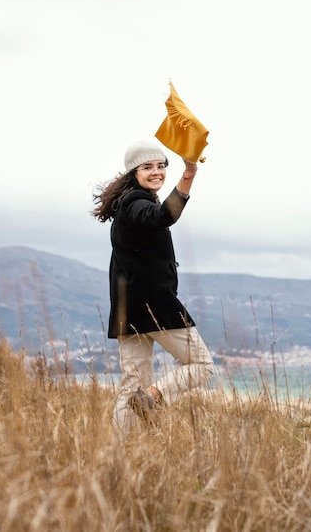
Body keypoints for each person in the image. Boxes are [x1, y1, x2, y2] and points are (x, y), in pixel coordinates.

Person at [92, 140, 215, 434]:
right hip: (154, 307)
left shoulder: (128, 204)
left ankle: (118, 454)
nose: (156, 172)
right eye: (148, 167)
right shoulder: (136, 204)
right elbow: (163, 217)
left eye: (161, 166)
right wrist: (188, 174)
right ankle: (153, 397)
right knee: (202, 366)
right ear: (134, 172)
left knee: (131, 387)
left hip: (127, 310)